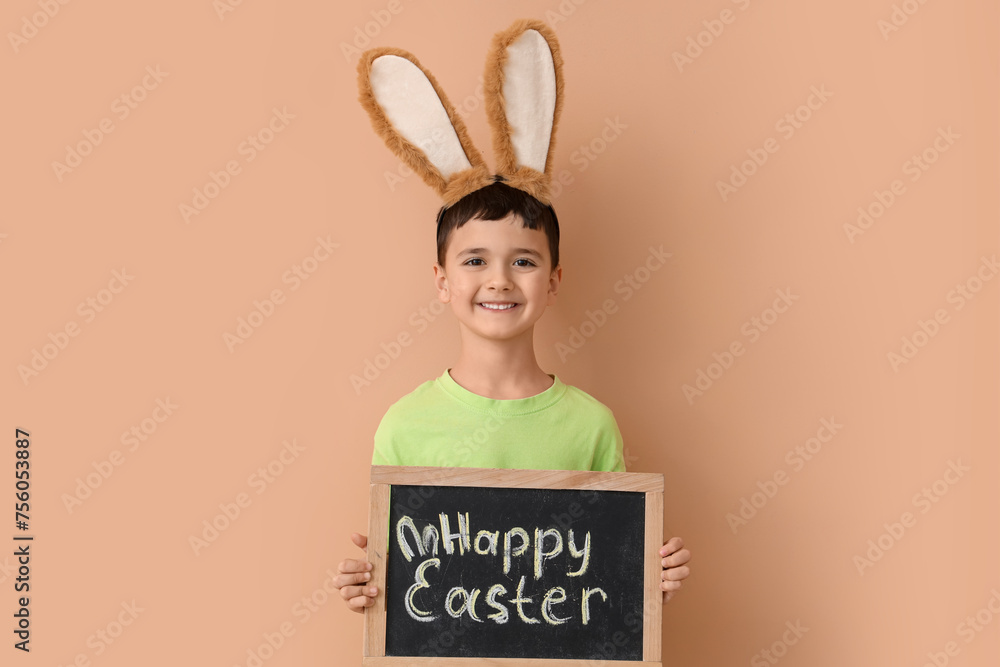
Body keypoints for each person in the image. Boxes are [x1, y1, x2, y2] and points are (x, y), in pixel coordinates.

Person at [334, 181, 691, 613]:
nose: (499, 281)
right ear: (442, 281)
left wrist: (644, 583)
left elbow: (603, 574)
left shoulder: (591, 426)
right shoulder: (405, 424)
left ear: (553, 282)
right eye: (475, 261)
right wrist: (369, 587)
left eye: (523, 261)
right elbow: (403, 577)